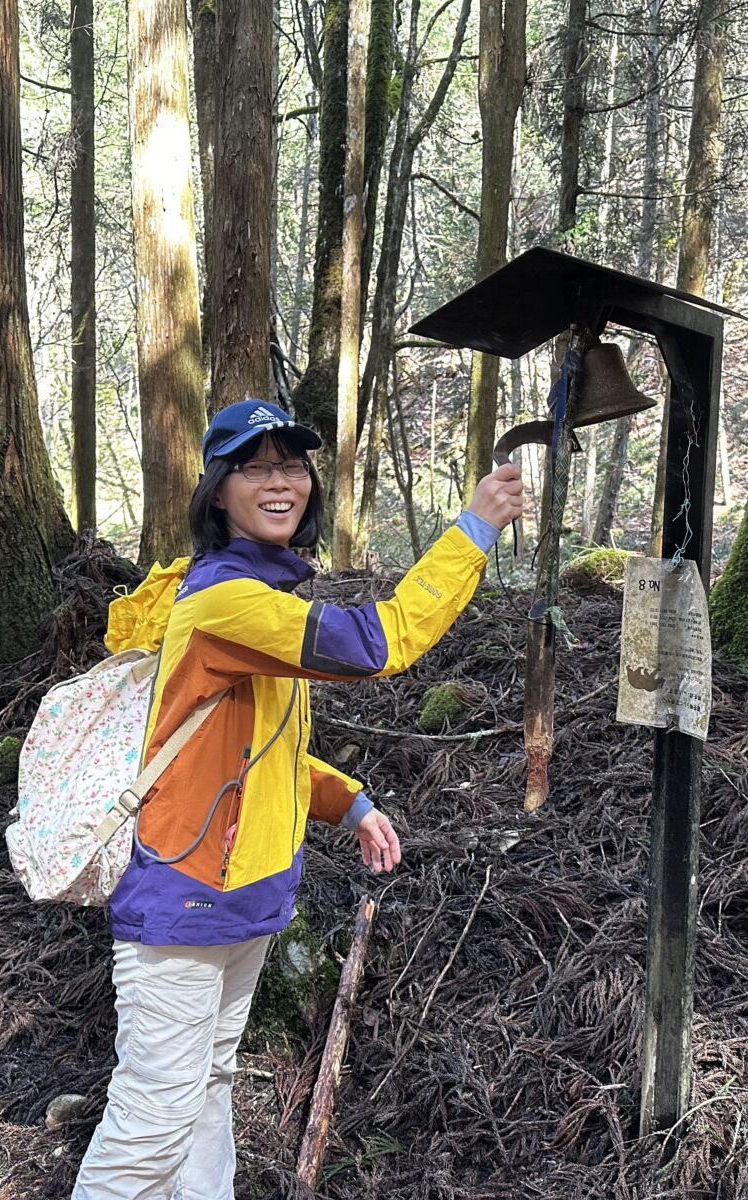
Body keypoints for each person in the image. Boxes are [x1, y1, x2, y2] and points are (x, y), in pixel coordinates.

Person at [72, 398, 525, 1199]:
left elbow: (263, 751)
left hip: (239, 897)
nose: (280, 482)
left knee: (208, 1086)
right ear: (218, 491)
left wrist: (350, 803)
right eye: (255, 467)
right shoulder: (226, 602)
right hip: (185, 898)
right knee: (151, 1122)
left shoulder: (258, 593)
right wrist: (473, 532)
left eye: (291, 466)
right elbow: (378, 642)